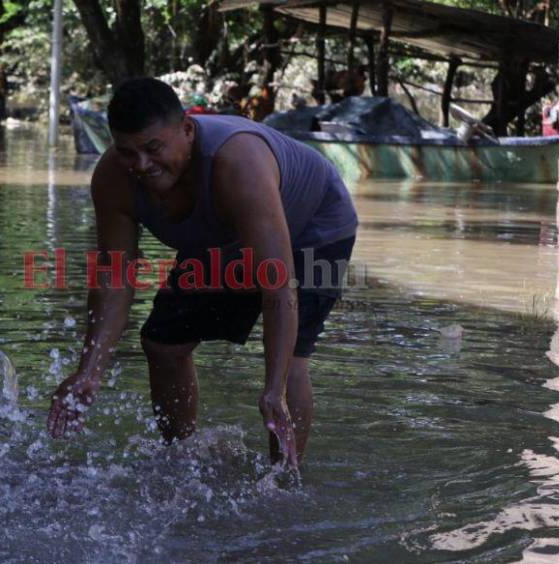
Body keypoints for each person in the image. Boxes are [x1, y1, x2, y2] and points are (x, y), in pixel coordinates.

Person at [47, 78, 358, 468]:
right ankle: (179, 458)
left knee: (290, 361)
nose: (141, 165)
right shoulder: (114, 178)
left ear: (188, 130)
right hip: (225, 237)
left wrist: (272, 388)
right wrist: (88, 372)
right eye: (128, 152)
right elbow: (115, 279)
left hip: (315, 225)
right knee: (162, 344)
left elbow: (278, 286)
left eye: (153, 148)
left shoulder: (237, 163)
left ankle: (284, 481)